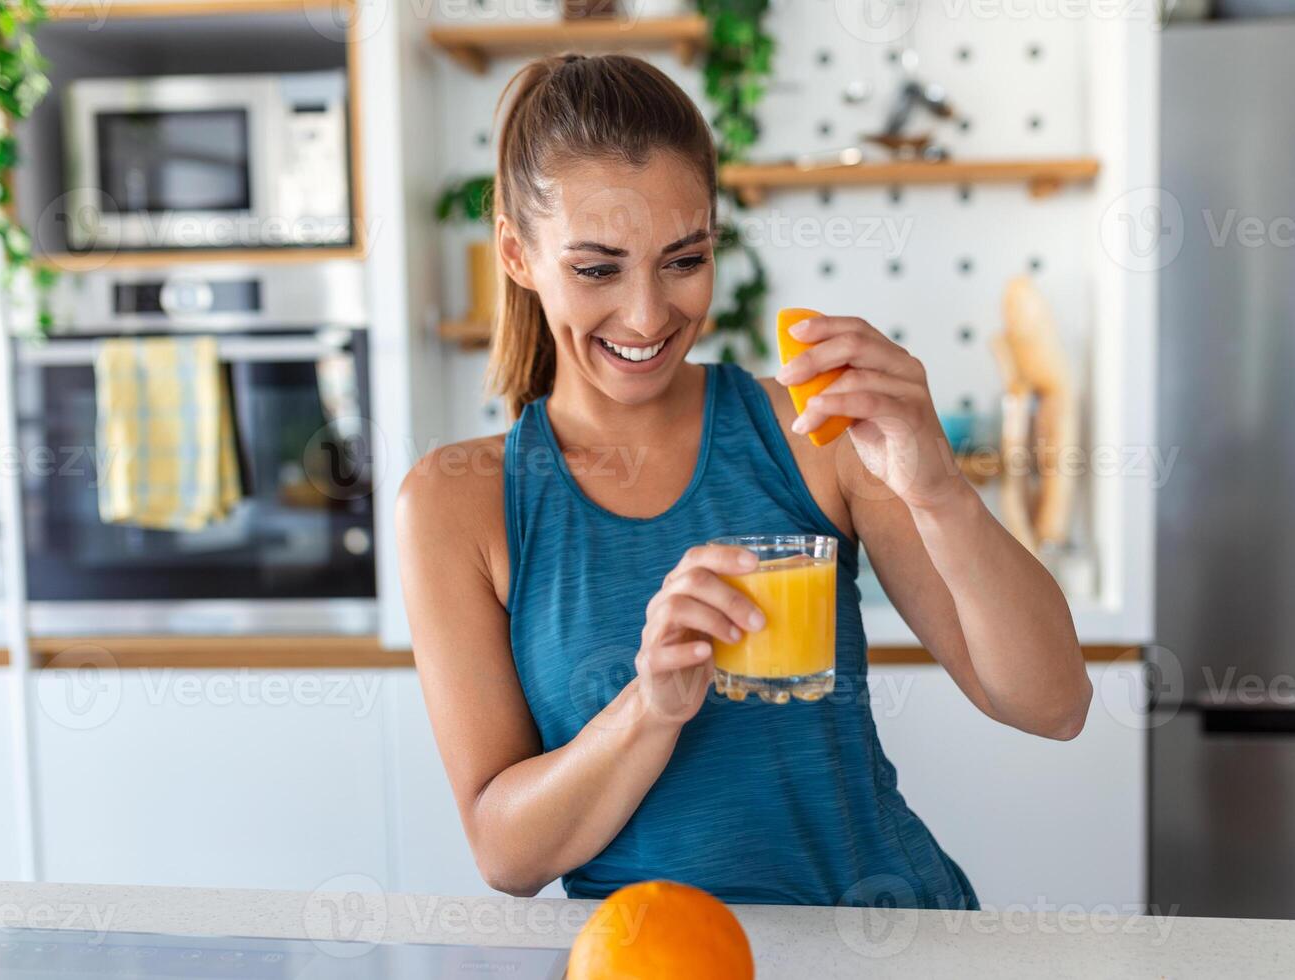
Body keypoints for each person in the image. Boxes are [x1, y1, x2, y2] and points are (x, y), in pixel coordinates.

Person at [396, 53, 1090, 908]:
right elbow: (507, 854)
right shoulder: (456, 501)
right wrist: (649, 708)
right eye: (597, 268)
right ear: (516, 252)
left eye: (683, 260)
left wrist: (936, 487)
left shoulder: (811, 432)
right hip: (656, 960)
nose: (649, 316)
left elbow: (1052, 704)